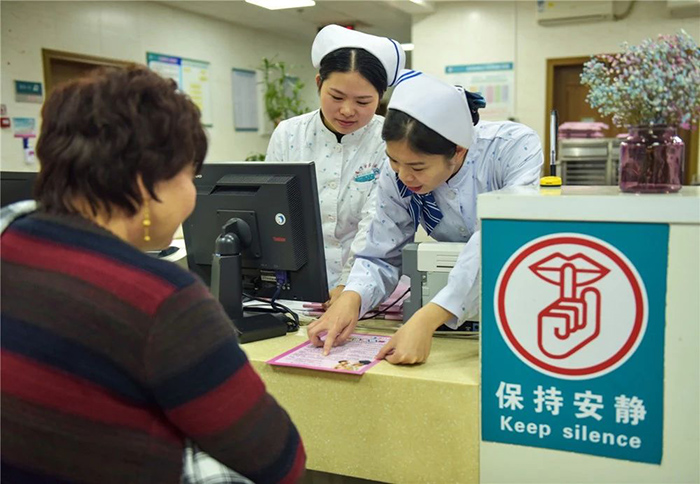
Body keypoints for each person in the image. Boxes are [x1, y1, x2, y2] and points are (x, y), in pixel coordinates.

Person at [0, 65, 305, 483]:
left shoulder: (10, 237)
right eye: (191, 176)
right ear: (147, 185)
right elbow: (277, 459)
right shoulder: (162, 300)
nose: (193, 192)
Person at [307, 70, 544, 365]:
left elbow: (498, 237)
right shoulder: (397, 173)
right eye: (394, 161)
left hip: (520, 296)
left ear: (458, 151)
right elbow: (382, 249)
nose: (404, 176)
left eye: (418, 167)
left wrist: (428, 318)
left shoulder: (512, 148)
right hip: (451, 309)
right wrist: (351, 299)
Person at [265, 24, 405, 307]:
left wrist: (350, 286)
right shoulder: (289, 134)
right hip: (295, 288)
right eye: (337, 97)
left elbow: (378, 221)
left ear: (380, 97)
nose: (347, 110)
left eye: (363, 101)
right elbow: (272, 211)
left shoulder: (389, 140)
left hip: (367, 286)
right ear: (319, 83)